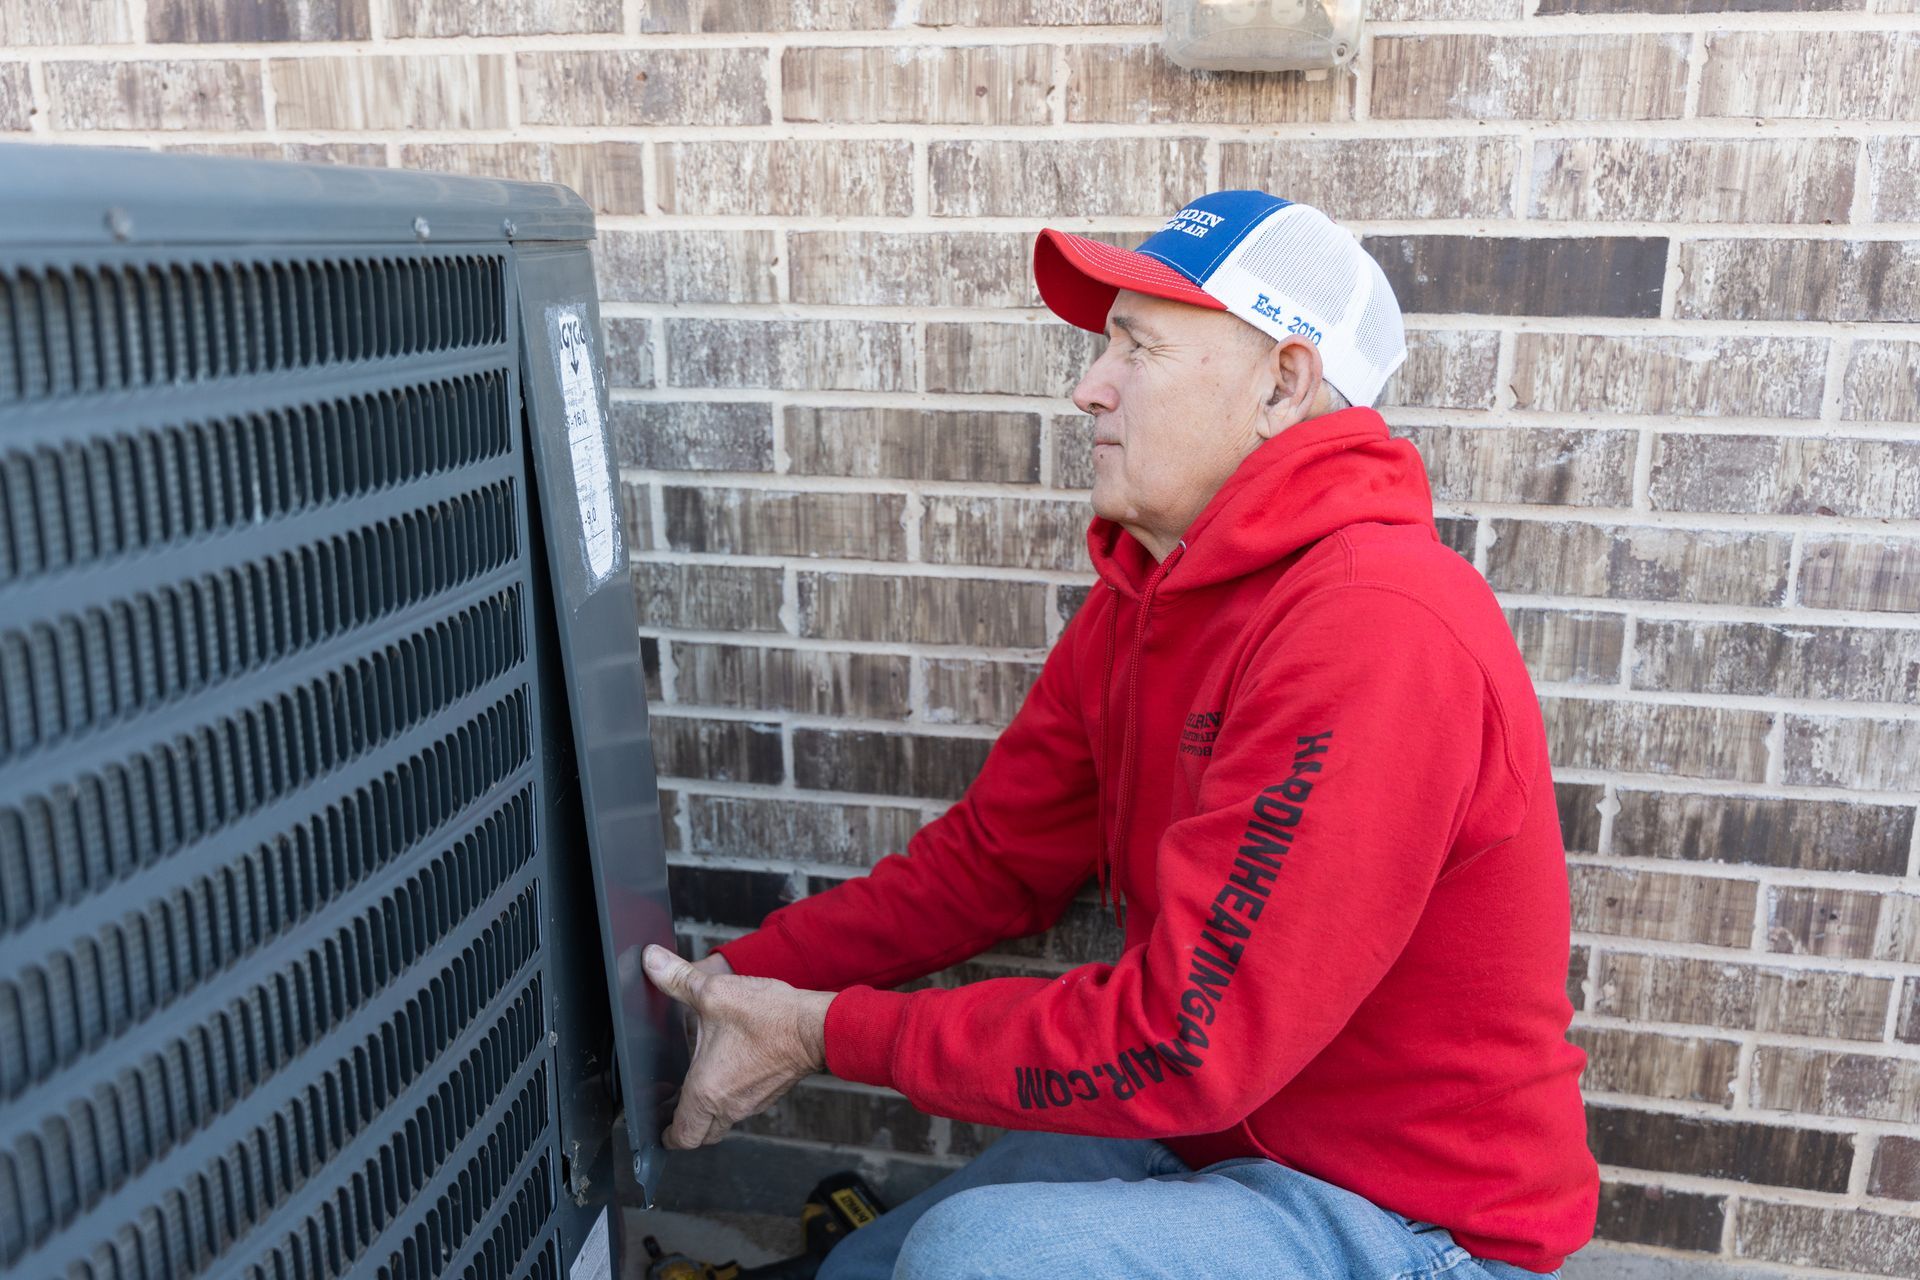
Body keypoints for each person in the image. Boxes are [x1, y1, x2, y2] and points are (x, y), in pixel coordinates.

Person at [639, 190, 1599, 1279]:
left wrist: (820, 1029)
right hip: (1213, 1146)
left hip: (1411, 1220)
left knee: (975, 1264)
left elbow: (1186, 1040)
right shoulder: (1148, 594)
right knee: (862, 1269)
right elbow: (991, 864)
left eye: (1135, 347)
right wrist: (717, 984)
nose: (1087, 386)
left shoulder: (1376, 626)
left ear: (1282, 381)